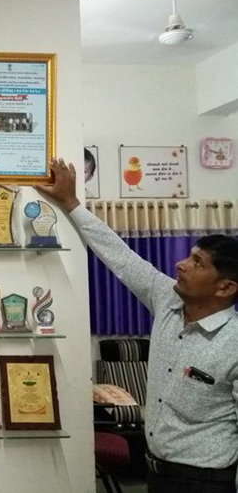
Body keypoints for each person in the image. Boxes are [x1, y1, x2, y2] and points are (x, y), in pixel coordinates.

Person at [38, 158, 238, 493]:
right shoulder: (167, 300)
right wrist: (71, 203)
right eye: (188, 255)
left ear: (225, 287)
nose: (181, 264)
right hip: (155, 473)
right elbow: (121, 256)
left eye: (197, 263)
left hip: (207, 481)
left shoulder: (232, 343)